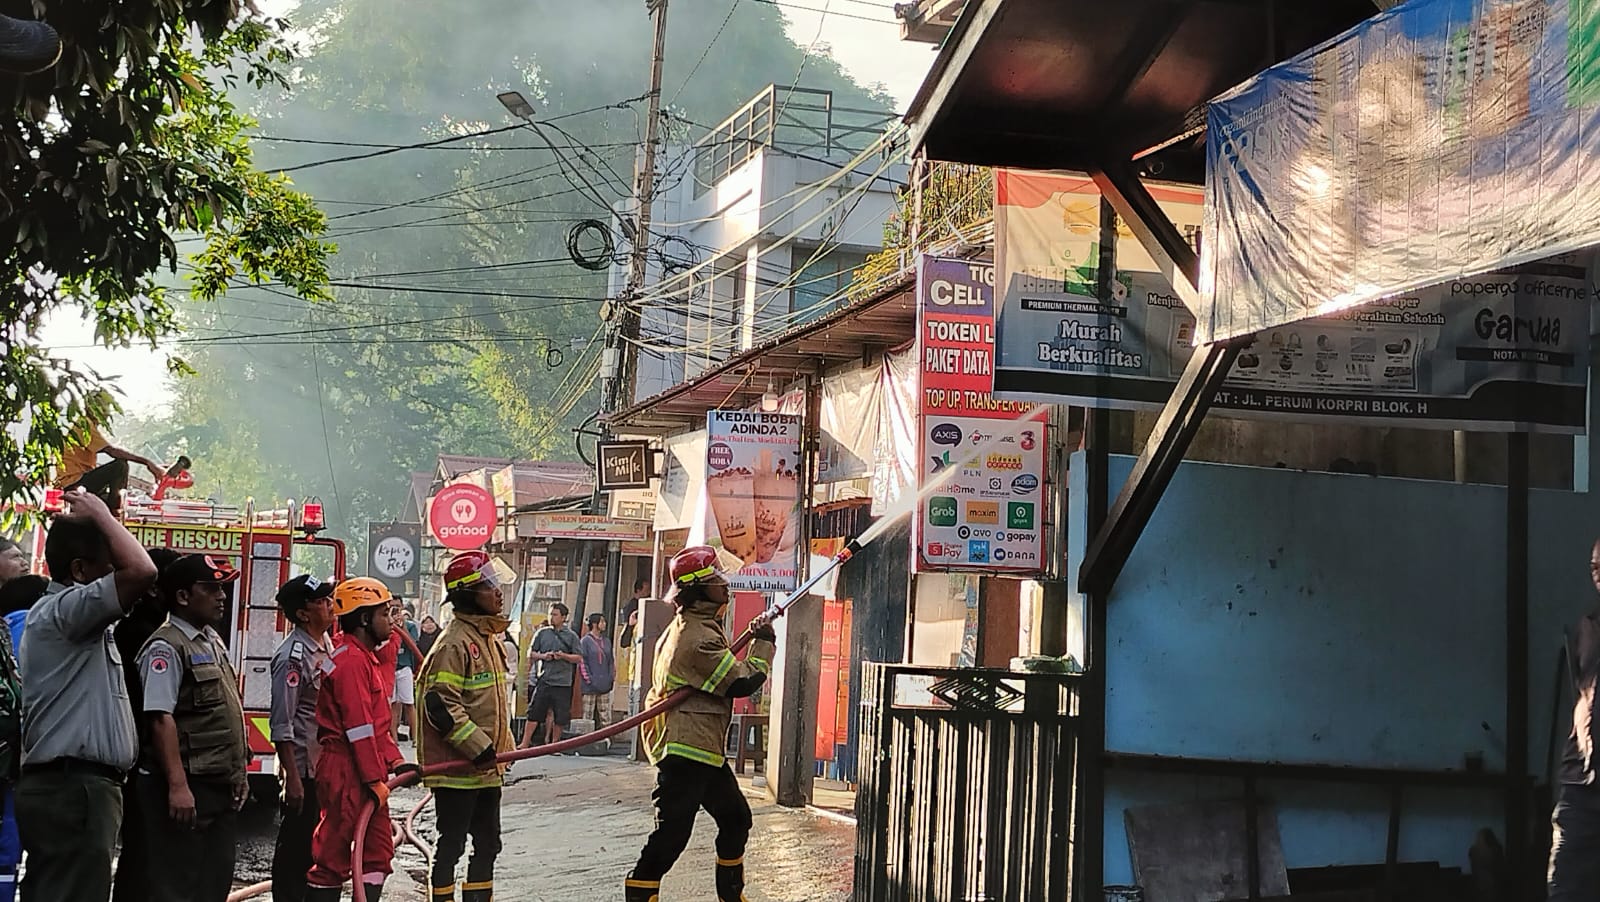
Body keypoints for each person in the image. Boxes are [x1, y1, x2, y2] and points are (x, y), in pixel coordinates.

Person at [15, 488, 157, 902]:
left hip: (75, 788)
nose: (115, 579)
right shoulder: (67, 613)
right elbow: (142, 571)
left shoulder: (70, 620)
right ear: (79, 571)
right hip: (74, 788)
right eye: (105, 570)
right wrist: (101, 514)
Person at [625, 546, 776, 902]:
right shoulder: (696, 637)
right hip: (686, 750)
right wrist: (764, 644)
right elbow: (741, 682)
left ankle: (731, 894)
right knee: (673, 834)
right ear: (698, 588)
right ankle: (639, 891)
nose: (724, 585)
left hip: (702, 748)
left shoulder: (700, 627)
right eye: (716, 580)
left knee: (736, 818)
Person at [136, 553, 250, 902]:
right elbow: (160, 717)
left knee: (214, 881)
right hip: (190, 785)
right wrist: (177, 786)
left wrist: (239, 773)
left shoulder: (210, 640)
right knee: (178, 884)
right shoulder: (165, 646)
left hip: (217, 784)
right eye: (211, 588)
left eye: (222, 588)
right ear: (183, 596)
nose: (222, 596)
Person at [417, 551, 518, 902]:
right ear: (468, 594)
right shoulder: (454, 643)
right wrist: (480, 749)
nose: (498, 592)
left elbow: (491, 706)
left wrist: (506, 745)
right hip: (458, 770)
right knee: (451, 845)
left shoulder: (486, 639)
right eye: (489, 585)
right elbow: (441, 707)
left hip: (487, 769)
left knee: (488, 845)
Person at [306, 578, 413, 902]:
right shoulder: (352, 662)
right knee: (334, 854)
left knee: (378, 852)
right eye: (385, 614)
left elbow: (377, 727)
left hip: (364, 768)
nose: (391, 621)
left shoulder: (362, 656)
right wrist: (372, 778)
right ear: (364, 619)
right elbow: (359, 728)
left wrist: (396, 761)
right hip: (347, 768)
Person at [110, 546, 182, 902]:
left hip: (143, 763)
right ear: (154, 588)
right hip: (144, 764)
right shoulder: (147, 636)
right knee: (145, 856)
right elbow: (156, 713)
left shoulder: (155, 630)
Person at [269, 574, 336, 902]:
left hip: (324, 766)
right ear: (303, 614)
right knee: (296, 850)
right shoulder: (292, 657)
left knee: (317, 848)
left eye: (329, 599)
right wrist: (291, 779)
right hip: (305, 772)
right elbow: (283, 723)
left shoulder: (326, 644)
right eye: (322, 602)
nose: (330, 606)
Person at [1551, 537, 1600, 900]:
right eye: (1594, 566)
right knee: (1565, 886)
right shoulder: (1590, 627)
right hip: (1581, 780)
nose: (1597, 574)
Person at [55, 400, 167, 513]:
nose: (106, 416)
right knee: (120, 465)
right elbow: (111, 451)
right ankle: (115, 510)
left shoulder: (80, 423)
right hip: (72, 482)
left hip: (75, 480)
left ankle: (109, 502)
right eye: (104, 411)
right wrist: (147, 462)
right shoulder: (84, 425)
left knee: (108, 487)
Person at [519, 602, 581, 748]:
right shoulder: (542, 633)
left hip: (563, 682)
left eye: (555, 614)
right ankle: (524, 743)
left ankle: (554, 745)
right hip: (544, 679)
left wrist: (564, 656)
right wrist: (543, 656)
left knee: (560, 715)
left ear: (564, 617)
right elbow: (530, 653)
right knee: (534, 712)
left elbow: (578, 657)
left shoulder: (571, 636)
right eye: (550, 614)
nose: (551, 617)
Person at [579, 613, 616, 732]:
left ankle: (607, 737)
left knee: (605, 715)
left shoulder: (606, 641)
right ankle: (586, 739)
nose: (604, 624)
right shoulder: (585, 641)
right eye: (602, 622)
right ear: (595, 624)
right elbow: (582, 662)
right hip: (590, 684)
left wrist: (611, 677)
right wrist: (588, 679)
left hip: (605, 682)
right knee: (587, 714)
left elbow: (611, 660)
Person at [391, 604, 421, 743]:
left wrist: (402, 627)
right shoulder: (386, 625)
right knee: (393, 703)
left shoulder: (410, 626)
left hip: (405, 667)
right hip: (390, 668)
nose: (396, 614)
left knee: (409, 702)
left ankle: (415, 737)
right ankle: (394, 737)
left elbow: (412, 643)